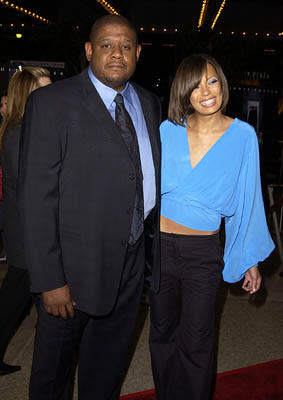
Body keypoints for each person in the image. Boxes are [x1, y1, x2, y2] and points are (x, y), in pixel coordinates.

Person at [18, 15, 161, 400]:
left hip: (131, 264)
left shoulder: (148, 103)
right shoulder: (51, 102)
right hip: (71, 272)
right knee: (53, 376)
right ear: (88, 50)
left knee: (107, 369)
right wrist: (50, 280)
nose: (117, 53)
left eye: (126, 46)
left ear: (138, 53)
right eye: (106, 44)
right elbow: (35, 198)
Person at [149, 54, 274, 400]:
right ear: (183, 92)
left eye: (212, 81)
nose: (206, 91)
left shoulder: (243, 136)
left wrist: (248, 258)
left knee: (198, 339)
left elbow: (248, 200)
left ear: (223, 83)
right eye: (196, 84)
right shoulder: (167, 130)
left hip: (202, 252)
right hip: (160, 247)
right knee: (161, 334)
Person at [0, 66, 51, 376]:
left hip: (26, 231)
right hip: (25, 234)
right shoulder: (20, 132)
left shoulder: (25, 128)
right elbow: (33, 189)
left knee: (19, 301)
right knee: (12, 303)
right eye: (42, 89)